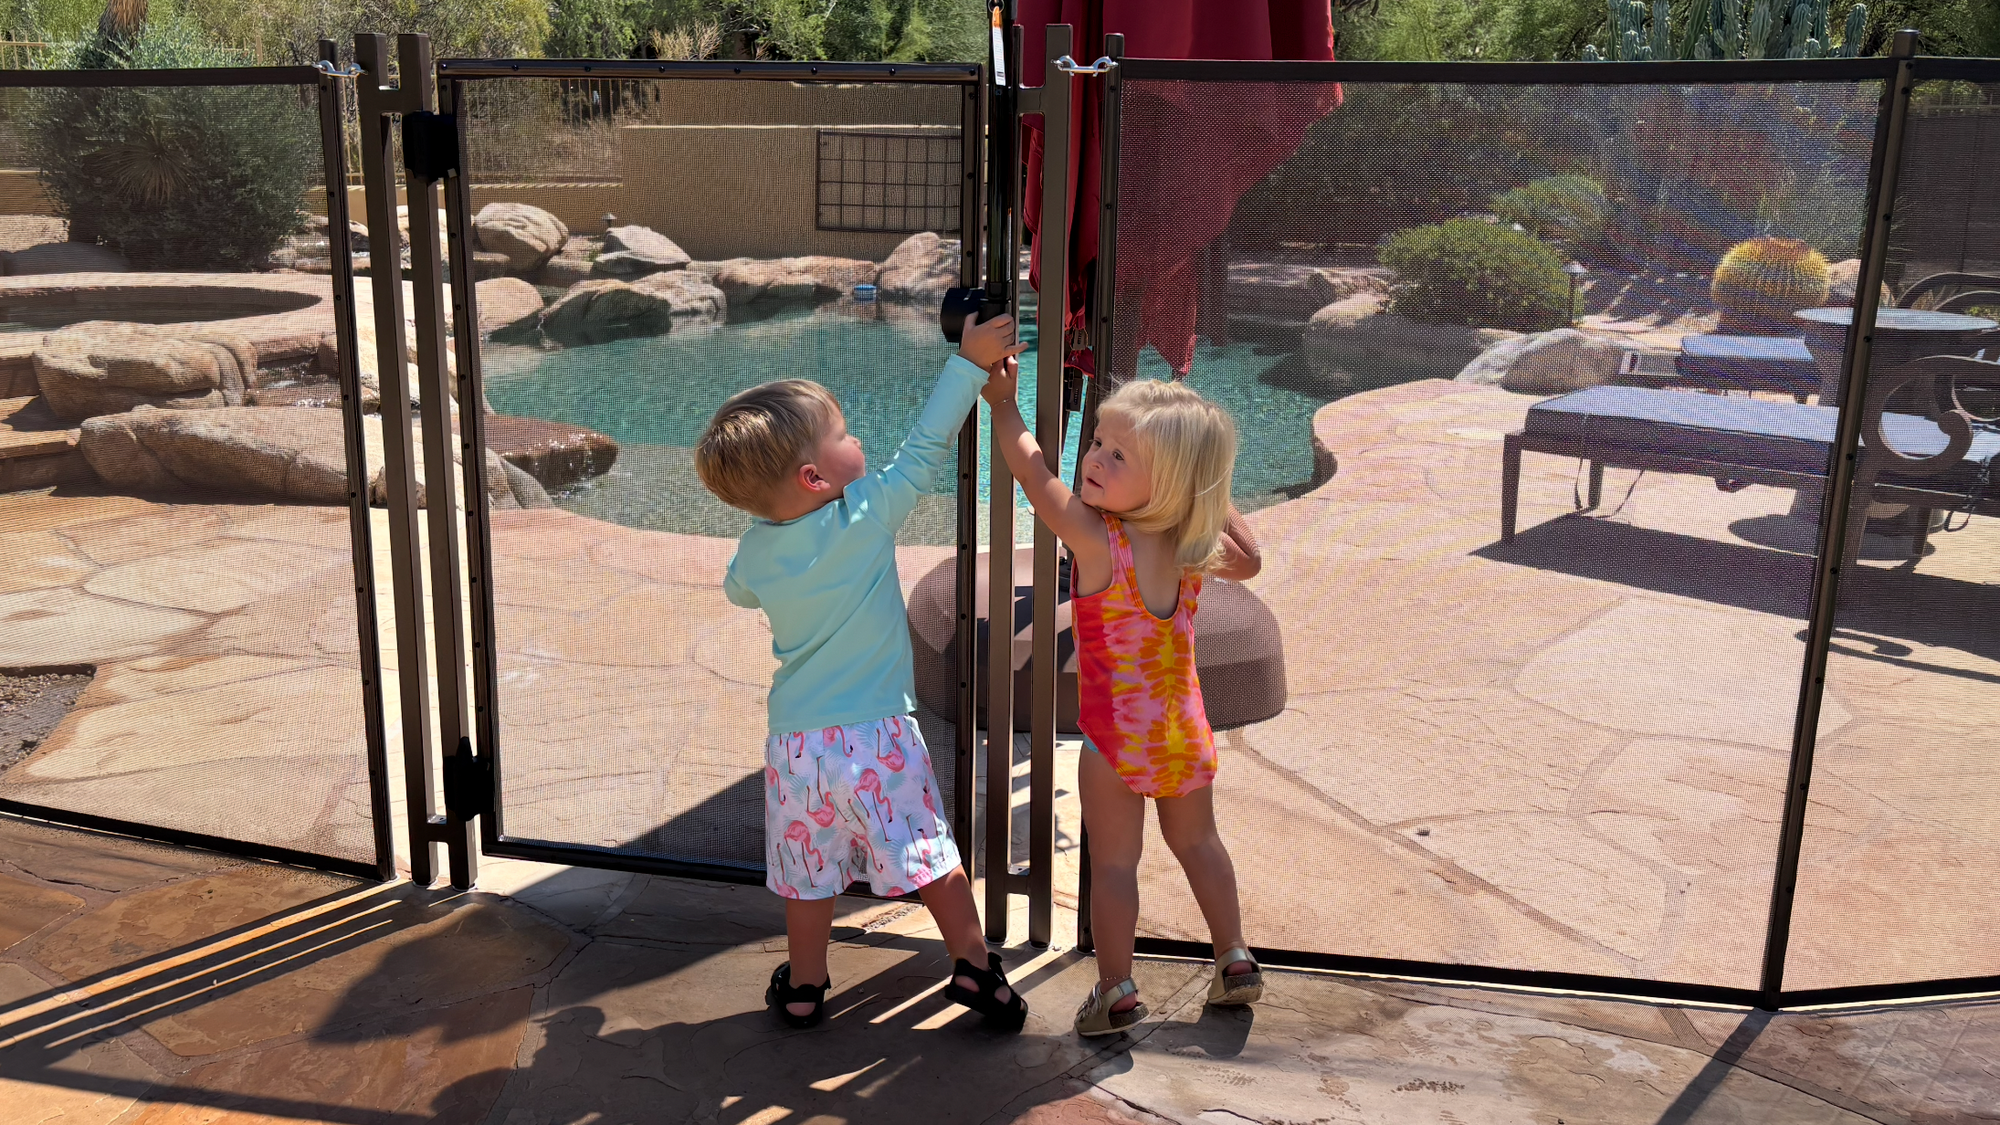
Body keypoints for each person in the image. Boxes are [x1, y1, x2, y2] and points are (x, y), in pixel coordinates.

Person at [694, 313, 1031, 1032]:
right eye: (844, 437)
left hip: (798, 747)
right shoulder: (867, 515)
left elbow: (737, 591)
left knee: (808, 869)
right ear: (815, 476)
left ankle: (807, 984)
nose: (860, 443)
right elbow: (927, 445)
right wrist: (970, 366)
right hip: (877, 737)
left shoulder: (756, 552)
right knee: (929, 856)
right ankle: (973, 964)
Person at [982, 361, 1263, 1037]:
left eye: (1118, 454)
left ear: (1165, 481)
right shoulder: (1192, 544)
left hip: (1115, 741)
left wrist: (1002, 403)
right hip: (1182, 730)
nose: (1095, 460)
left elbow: (1033, 476)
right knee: (1200, 843)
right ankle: (1235, 956)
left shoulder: (1097, 538)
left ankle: (1116, 991)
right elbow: (1251, 558)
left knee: (1112, 863)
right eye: (1098, 443)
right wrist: (1206, 489)